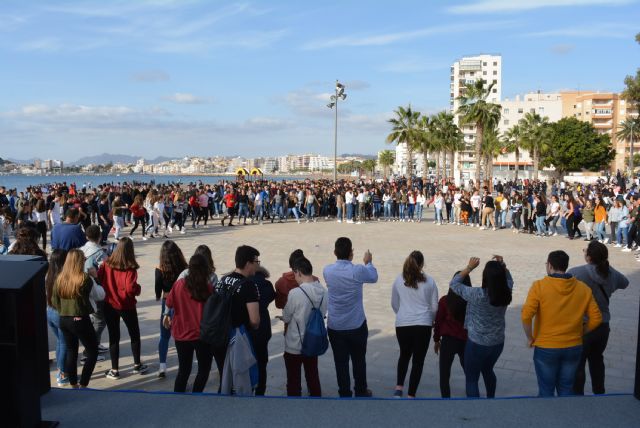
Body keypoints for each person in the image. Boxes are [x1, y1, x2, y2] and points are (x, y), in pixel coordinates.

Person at [521, 250, 603, 397]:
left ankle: (549, 418)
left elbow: (526, 316)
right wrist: (581, 332)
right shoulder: (583, 288)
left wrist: (530, 337)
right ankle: (565, 417)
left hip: (546, 346)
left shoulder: (539, 286)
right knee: (566, 388)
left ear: (550, 266)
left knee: (546, 390)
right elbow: (596, 318)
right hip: (573, 346)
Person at [568, 241, 629, 395]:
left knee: (579, 363)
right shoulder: (611, 273)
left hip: (583, 326)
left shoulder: (576, 273)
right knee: (597, 360)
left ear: (588, 257)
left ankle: (577, 395)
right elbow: (625, 283)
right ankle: (599, 392)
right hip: (602, 325)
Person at [449, 256, 513, 398]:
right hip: (497, 342)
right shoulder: (506, 293)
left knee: (472, 379)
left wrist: (469, 267)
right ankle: (491, 398)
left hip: (477, 343)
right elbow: (510, 280)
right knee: (488, 370)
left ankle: (476, 408)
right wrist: (502, 266)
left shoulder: (477, 294)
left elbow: (454, 284)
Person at [323, 237, 378, 397]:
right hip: (356, 324)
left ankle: (344, 392)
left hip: (336, 325)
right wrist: (368, 262)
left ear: (335, 252)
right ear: (351, 254)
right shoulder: (357, 270)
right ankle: (360, 390)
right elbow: (373, 277)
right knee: (359, 360)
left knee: (340, 362)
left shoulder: (328, 270)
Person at [51, 249, 104, 388]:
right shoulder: (85, 278)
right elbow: (100, 295)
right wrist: (96, 277)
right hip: (80, 318)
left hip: (64, 319)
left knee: (71, 351)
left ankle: (73, 383)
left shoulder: (60, 278)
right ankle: (84, 383)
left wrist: (64, 309)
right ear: (80, 262)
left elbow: (54, 301)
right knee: (92, 351)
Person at [98, 237, 148, 379]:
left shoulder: (106, 264)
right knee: (134, 334)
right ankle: (137, 364)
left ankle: (114, 369)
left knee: (114, 337)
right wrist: (138, 289)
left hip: (109, 303)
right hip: (126, 305)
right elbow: (131, 288)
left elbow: (100, 280)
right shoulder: (130, 268)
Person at [391, 251, 438, 398]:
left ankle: (399, 388)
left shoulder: (399, 280)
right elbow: (435, 307)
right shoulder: (430, 281)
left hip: (403, 324)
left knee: (404, 355)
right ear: (422, 264)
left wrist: (403, 313)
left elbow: (394, 304)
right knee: (418, 360)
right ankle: (411, 394)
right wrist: (430, 320)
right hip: (423, 324)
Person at [164, 254, 214, 393]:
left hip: (181, 334)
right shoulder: (208, 288)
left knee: (184, 370)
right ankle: (196, 394)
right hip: (201, 336)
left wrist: (166, 316)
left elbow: (169, 303)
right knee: (204, 369)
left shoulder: (179, 284)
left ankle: (178, 397)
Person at [218, 245, 261, 395]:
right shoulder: (248, 285)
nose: (258, 265)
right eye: (257, 261)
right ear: (248, 263)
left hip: (220, 337)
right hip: (238, 338)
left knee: (225, 377)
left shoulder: (222, 279)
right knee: (242, 379)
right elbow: (255, 320)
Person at [282, 256, 327, 397]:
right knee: (313, 376)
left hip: (295, 344)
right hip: (313, 341)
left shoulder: (295, 293)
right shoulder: (324, 292)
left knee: (293, 380)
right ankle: (315, 403)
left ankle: (294, 407)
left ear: (299, 272)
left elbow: (287, 317)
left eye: (295, 274)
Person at [433, 272, 471, 398]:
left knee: (444, 374)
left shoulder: (445, 301)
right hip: (465, 340)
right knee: (469, 372)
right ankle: (472, 395)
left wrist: (436, 339)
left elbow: (438, 321)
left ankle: (445, 399)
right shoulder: (471, 301)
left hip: (448, 340)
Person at [155, 240, 188, 378]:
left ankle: (162, 365)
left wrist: (159, 295)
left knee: (164, 335)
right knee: (181, 335)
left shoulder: (160, 269)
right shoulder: (184, 267)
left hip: (167, 302)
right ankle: (183, 364)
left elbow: (157, 288)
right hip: (181, 302)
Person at [80, 225, 109, 361]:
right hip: (94, 288)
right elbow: (106, 270)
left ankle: (94, 344)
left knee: (93, 318)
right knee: (100, 320)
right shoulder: (99, 253)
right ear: (100, 236)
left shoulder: (81, 249)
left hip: (81, 287)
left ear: (86, 236)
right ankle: (89, 350)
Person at [250, 265, 276, 395]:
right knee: (262, 362)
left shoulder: (247, 283)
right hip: (263, 327)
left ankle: (248, 387)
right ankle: (261, 390)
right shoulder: (267, 284)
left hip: (248, 327)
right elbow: (272, 297)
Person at [46, 249, 69, 386]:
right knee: (64, 343)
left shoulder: (48, 275)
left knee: (60, 342)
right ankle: (62, 374)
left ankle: (61, 371)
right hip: (60, 313)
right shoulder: (63, 277)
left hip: (49, 311)